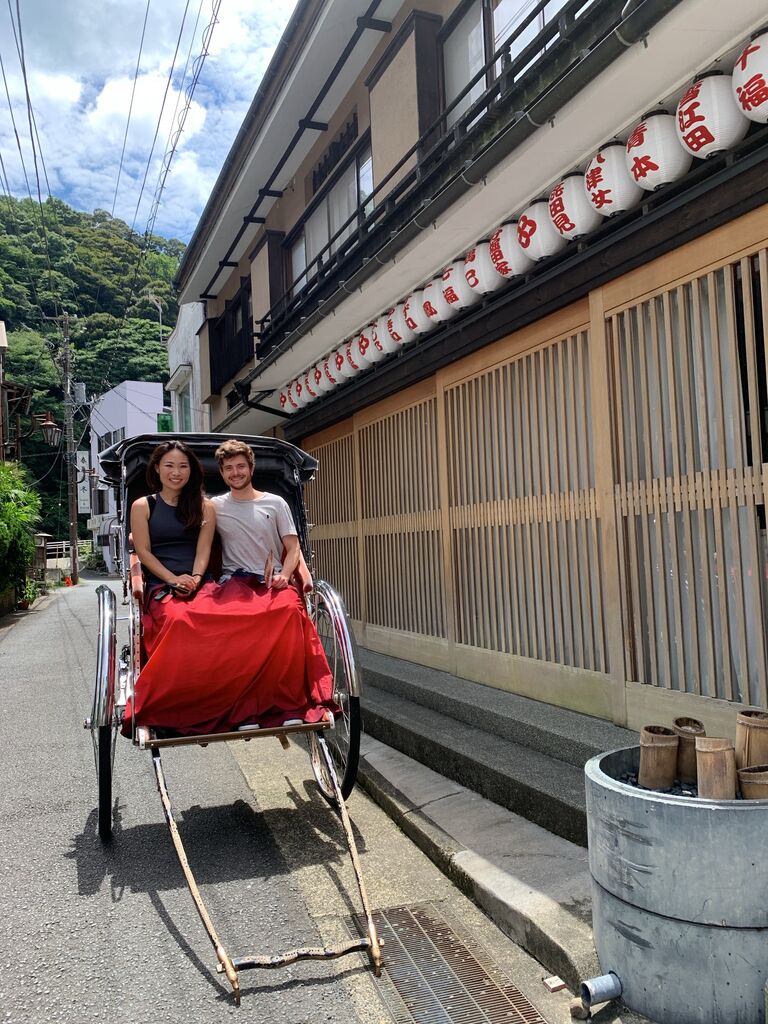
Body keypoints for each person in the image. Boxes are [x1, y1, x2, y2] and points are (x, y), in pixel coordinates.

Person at [209, 438, 335, 728]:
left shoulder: (275, 503)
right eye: (229, 468)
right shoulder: (215, 506)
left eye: (241, 466)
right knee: (234, 622)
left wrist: (283, 575)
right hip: (235, 580)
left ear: (251, 468)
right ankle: (244, 707)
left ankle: (291, 705)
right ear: (222, 472)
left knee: (290, 614)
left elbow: (292, 548)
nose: (235, 473)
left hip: (273, 580)